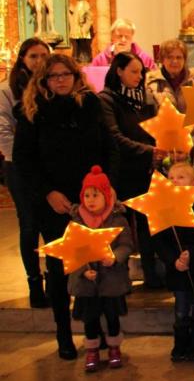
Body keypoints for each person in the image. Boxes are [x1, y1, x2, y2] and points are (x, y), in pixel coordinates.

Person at [14, 54, 118, 360]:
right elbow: (24, 160)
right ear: (44, 80)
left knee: (94, 264)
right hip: (54, 202)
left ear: (76, 76)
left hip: (91, 198)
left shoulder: (90, 105)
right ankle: (63, 333)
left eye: (65, 74)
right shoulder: (33, 111)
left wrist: (105, 185)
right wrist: (48, 193)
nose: (60, 80)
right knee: (59, 269)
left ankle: (95, 330)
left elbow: (108, 147)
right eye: (53, 76)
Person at [99, 51, 164, 288]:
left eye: (141, 72)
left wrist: (159, 147)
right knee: (121, 227)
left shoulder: (144, 99)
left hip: (144, 171)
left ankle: (151, 275)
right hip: (120, 172)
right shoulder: (106, 100)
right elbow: (113, 137)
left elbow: (153, 129)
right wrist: (149, 150)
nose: (139, 76)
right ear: (119, 71)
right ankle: (120, 278)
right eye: (134, 71)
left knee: (148, 226)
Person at [0, 37, 50, 308]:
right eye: (33, 56)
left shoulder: (52, 84)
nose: (39, 61)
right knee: (29, 224)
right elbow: (3, 131)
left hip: (48, 165)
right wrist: (22, 159)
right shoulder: (7, 90)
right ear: (22, 59)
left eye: (44, 55)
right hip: (18, 166)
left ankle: (55, 279)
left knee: (51, 223)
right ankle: (34, 282)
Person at [67, 166, 133, 372]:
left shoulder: (117, 219)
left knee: (112, 316)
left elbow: (126, 245)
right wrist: (82, 270)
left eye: (95, 195)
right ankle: (92, 350)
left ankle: (114, 347)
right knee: (90, 319)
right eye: (86, 195)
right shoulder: (77, 222)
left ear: (106, 196)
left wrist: (115, 257)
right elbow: (72, 249)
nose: (90, 200)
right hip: (86, 282)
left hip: (111, 279)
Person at [155, 163, 194, 362]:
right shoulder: (165, 207)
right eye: (171, 178)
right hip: (177, 267)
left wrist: (192, 253)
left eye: (181, 177)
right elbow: (159, 240)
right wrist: (173, 260)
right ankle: (181, 343)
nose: (174, 181)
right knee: (181, 310)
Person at [146, 39, 194, 113]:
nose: (175, 61)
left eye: (179, 57)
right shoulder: (150, 81)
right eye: (169, 57)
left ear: (184, 60)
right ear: (162, 60)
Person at [91, 18, 156, 70]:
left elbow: (155, 80)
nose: (123, 40)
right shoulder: (99, 60)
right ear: (112, 37)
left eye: (127, 36)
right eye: (119, 36)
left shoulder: (145, 59)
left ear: (132, 37)